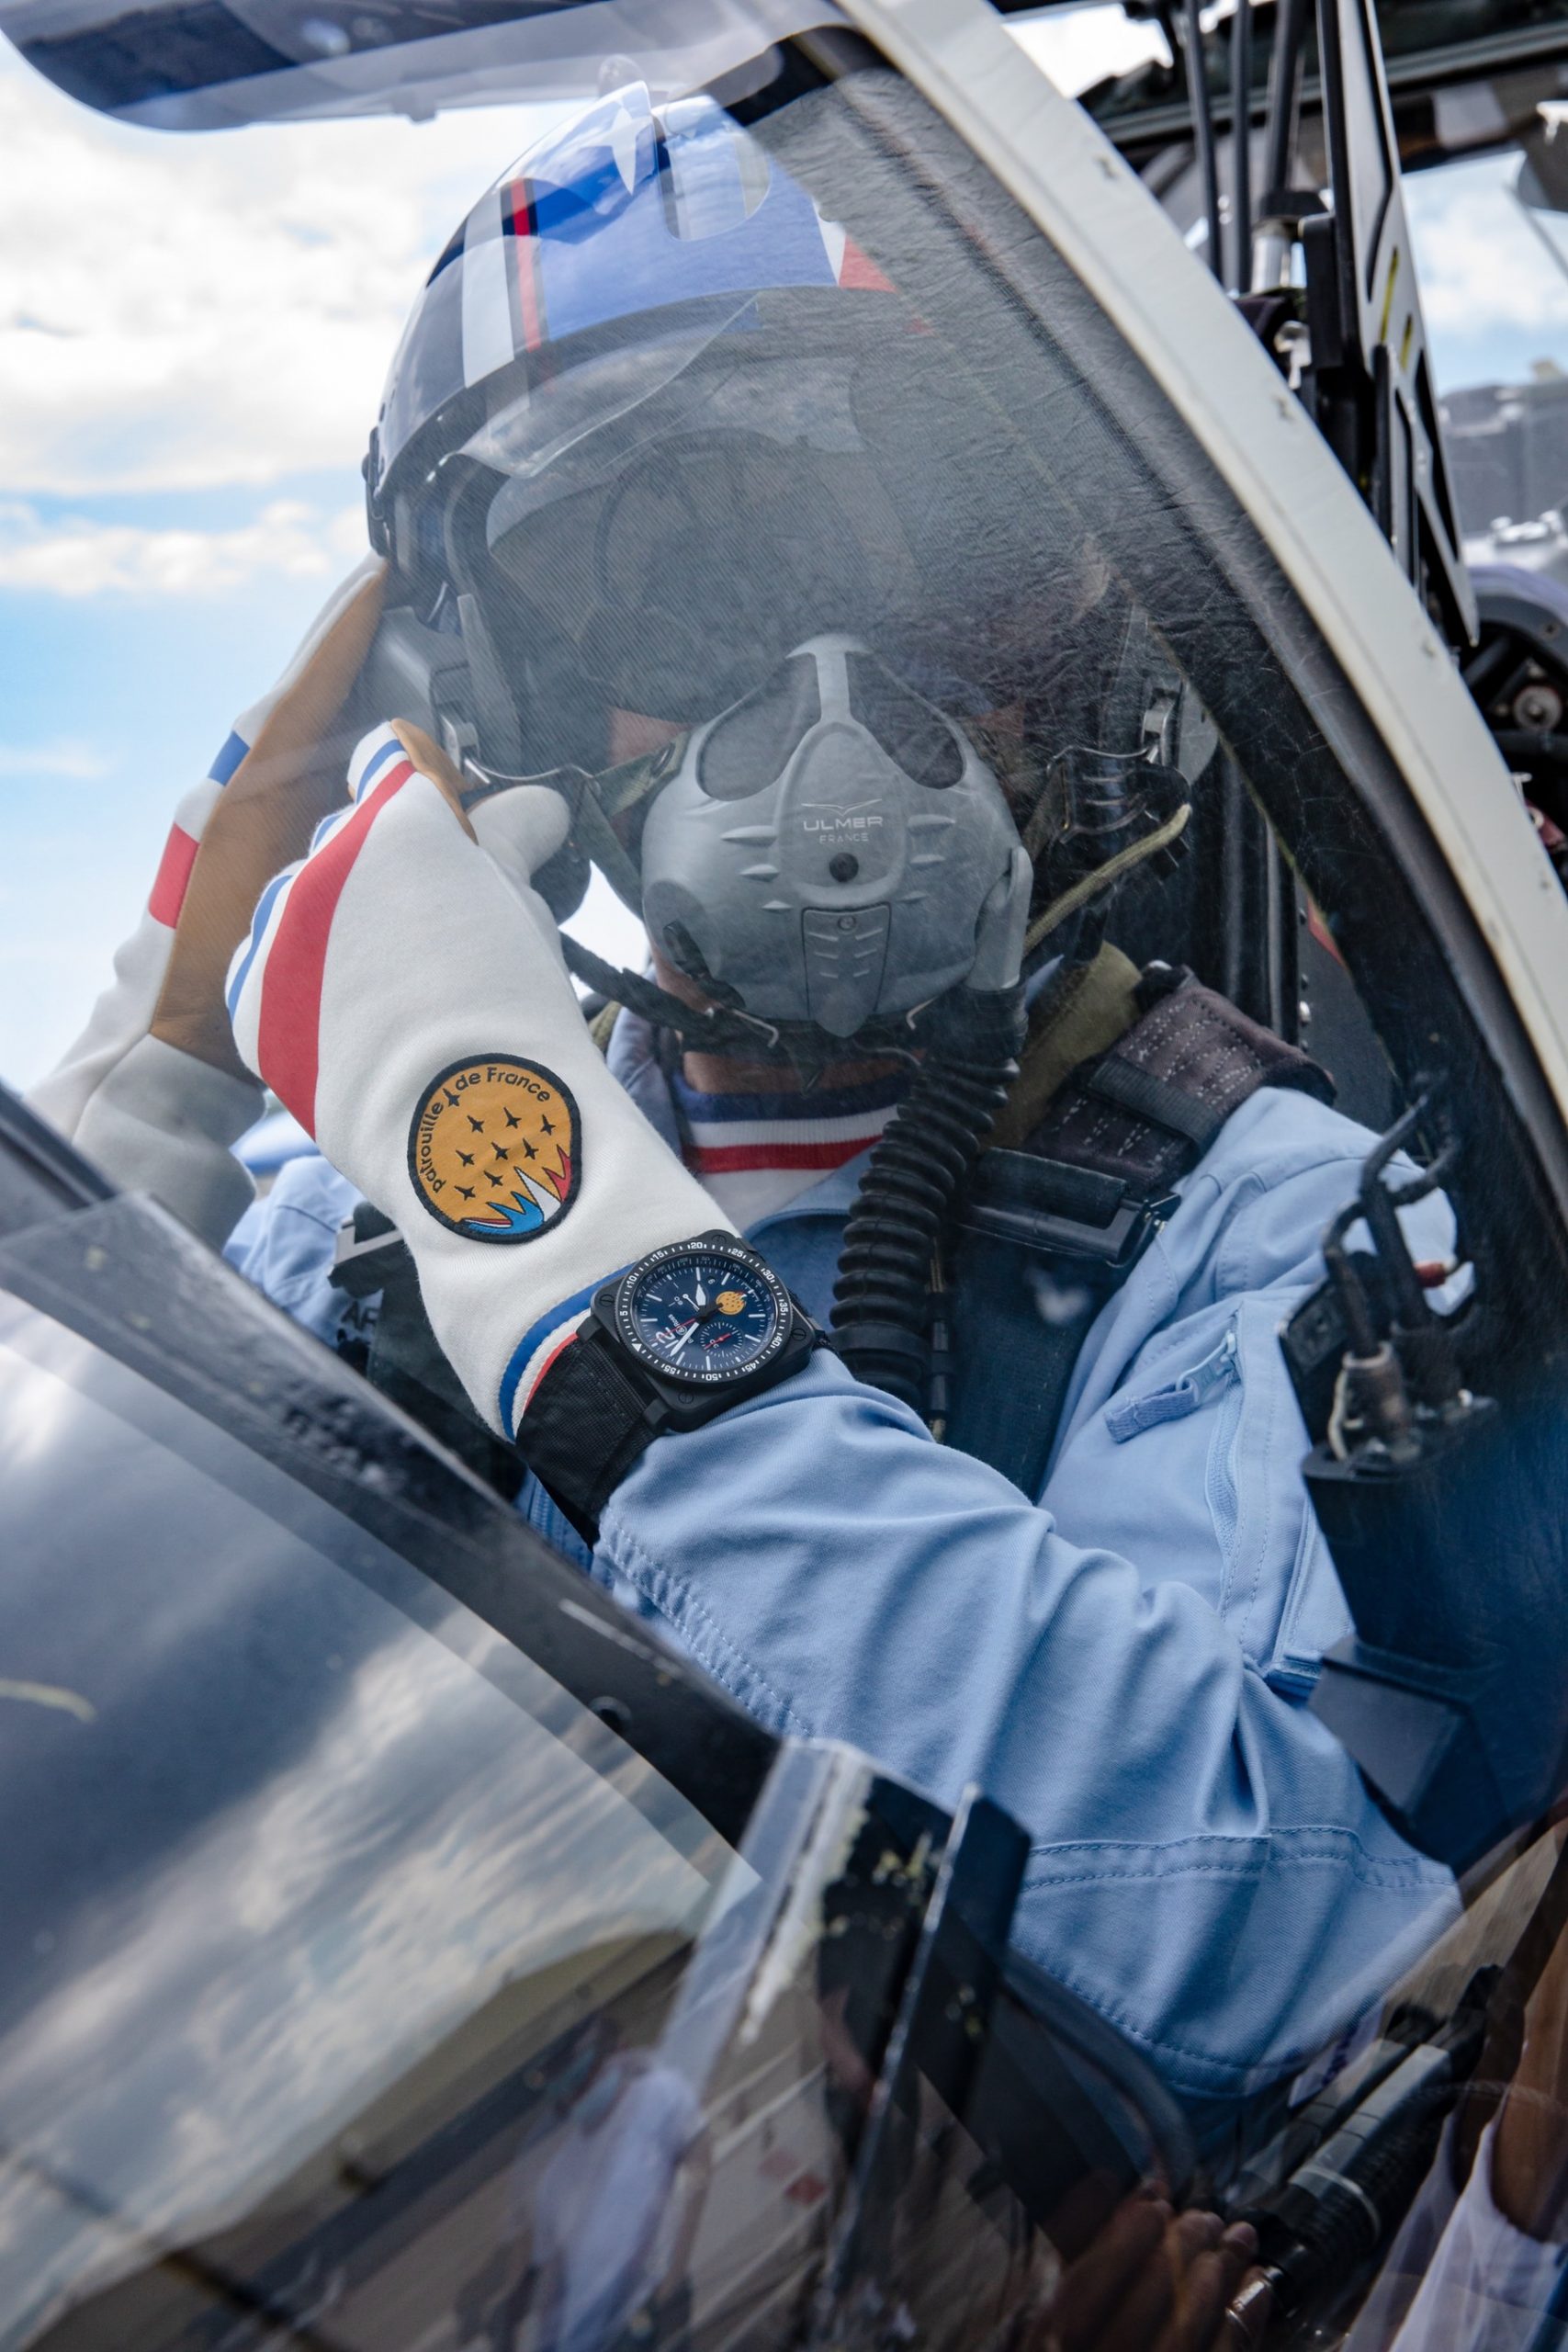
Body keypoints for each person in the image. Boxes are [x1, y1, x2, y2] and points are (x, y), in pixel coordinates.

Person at [31, 83, 1461, 2119]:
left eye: (921, 575)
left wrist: (532, 1218)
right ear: (501, 699)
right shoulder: (340, 1235)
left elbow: (1291, 1948)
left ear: (1072, 648)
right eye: (671, 590)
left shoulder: (1301, 1243)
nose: (821, 699)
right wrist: (169, 1070)